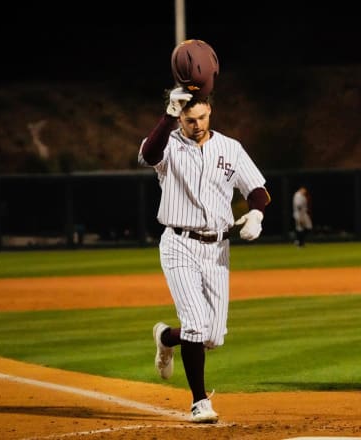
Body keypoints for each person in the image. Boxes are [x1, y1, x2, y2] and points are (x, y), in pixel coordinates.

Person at [138, 86, 271, 422]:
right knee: (196, 324)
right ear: (179, 116)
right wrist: (168, 116)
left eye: (201, 117)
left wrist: (256, 213)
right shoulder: (168, 143)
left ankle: (167, 337)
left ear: (210, 112)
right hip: (179, 243)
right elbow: (149, 155)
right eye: (188, 118)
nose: (196, 124)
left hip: (217, 250)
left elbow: (257, 190)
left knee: (212, 336)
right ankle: (199, 401)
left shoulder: (230, 148)